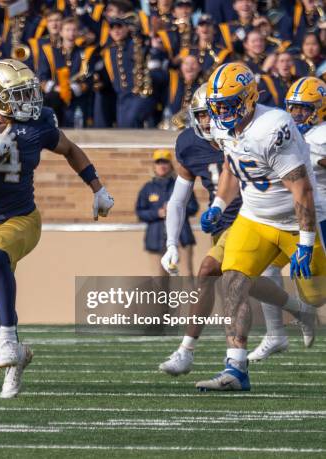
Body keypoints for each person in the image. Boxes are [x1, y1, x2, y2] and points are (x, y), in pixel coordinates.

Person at [0, 58, 115, 398]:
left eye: (29, 93)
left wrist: (97, 187)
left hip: (23, 218)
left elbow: (70, 149)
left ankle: (8, 341)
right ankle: (16, 360)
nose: (28, 101)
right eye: (18, 95)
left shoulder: (39, 121)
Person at [158, 81, 312, 376]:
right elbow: (178, 199)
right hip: (222, 224)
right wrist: (171, 244)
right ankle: (297, 311)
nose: (207, 120)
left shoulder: (244, 133)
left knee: (207, 272)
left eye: (209, 113)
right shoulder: (189, 144)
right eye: (201, 114)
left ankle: (187, 352)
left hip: (251, 218)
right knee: (243, 282)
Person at [195, 62, 326, 391]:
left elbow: (301, 189)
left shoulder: (273, 126)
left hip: (295, 223)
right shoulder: (224, 128)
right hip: (253, 219)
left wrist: (307, 242)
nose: (222, 110)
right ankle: (236, 368)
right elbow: (231, 165)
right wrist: (218, 204)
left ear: (250, 97)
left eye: (229, 102)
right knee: (234, 281)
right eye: (218, 104)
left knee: (317, 296)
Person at [248, 76, 325, 361]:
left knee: (317, 293)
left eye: (304, 109)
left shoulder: (320, 136)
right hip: (293, 218)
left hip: (320, 219)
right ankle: (275, 334)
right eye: (293, 108)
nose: (297, 115)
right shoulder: (287, 130)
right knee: (264, 269)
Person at [136, 148, 198, 277]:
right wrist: (157, 213)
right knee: (158, 281)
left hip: (182, 238)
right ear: (154, 166)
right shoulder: (148, 188)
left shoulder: (181, 184)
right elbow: (140, 212)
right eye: (159, 162)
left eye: (165, 162)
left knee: (186, 277)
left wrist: (176, 210)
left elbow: (193, 207)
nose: (162, 166)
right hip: (156, 239)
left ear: (171, 165)